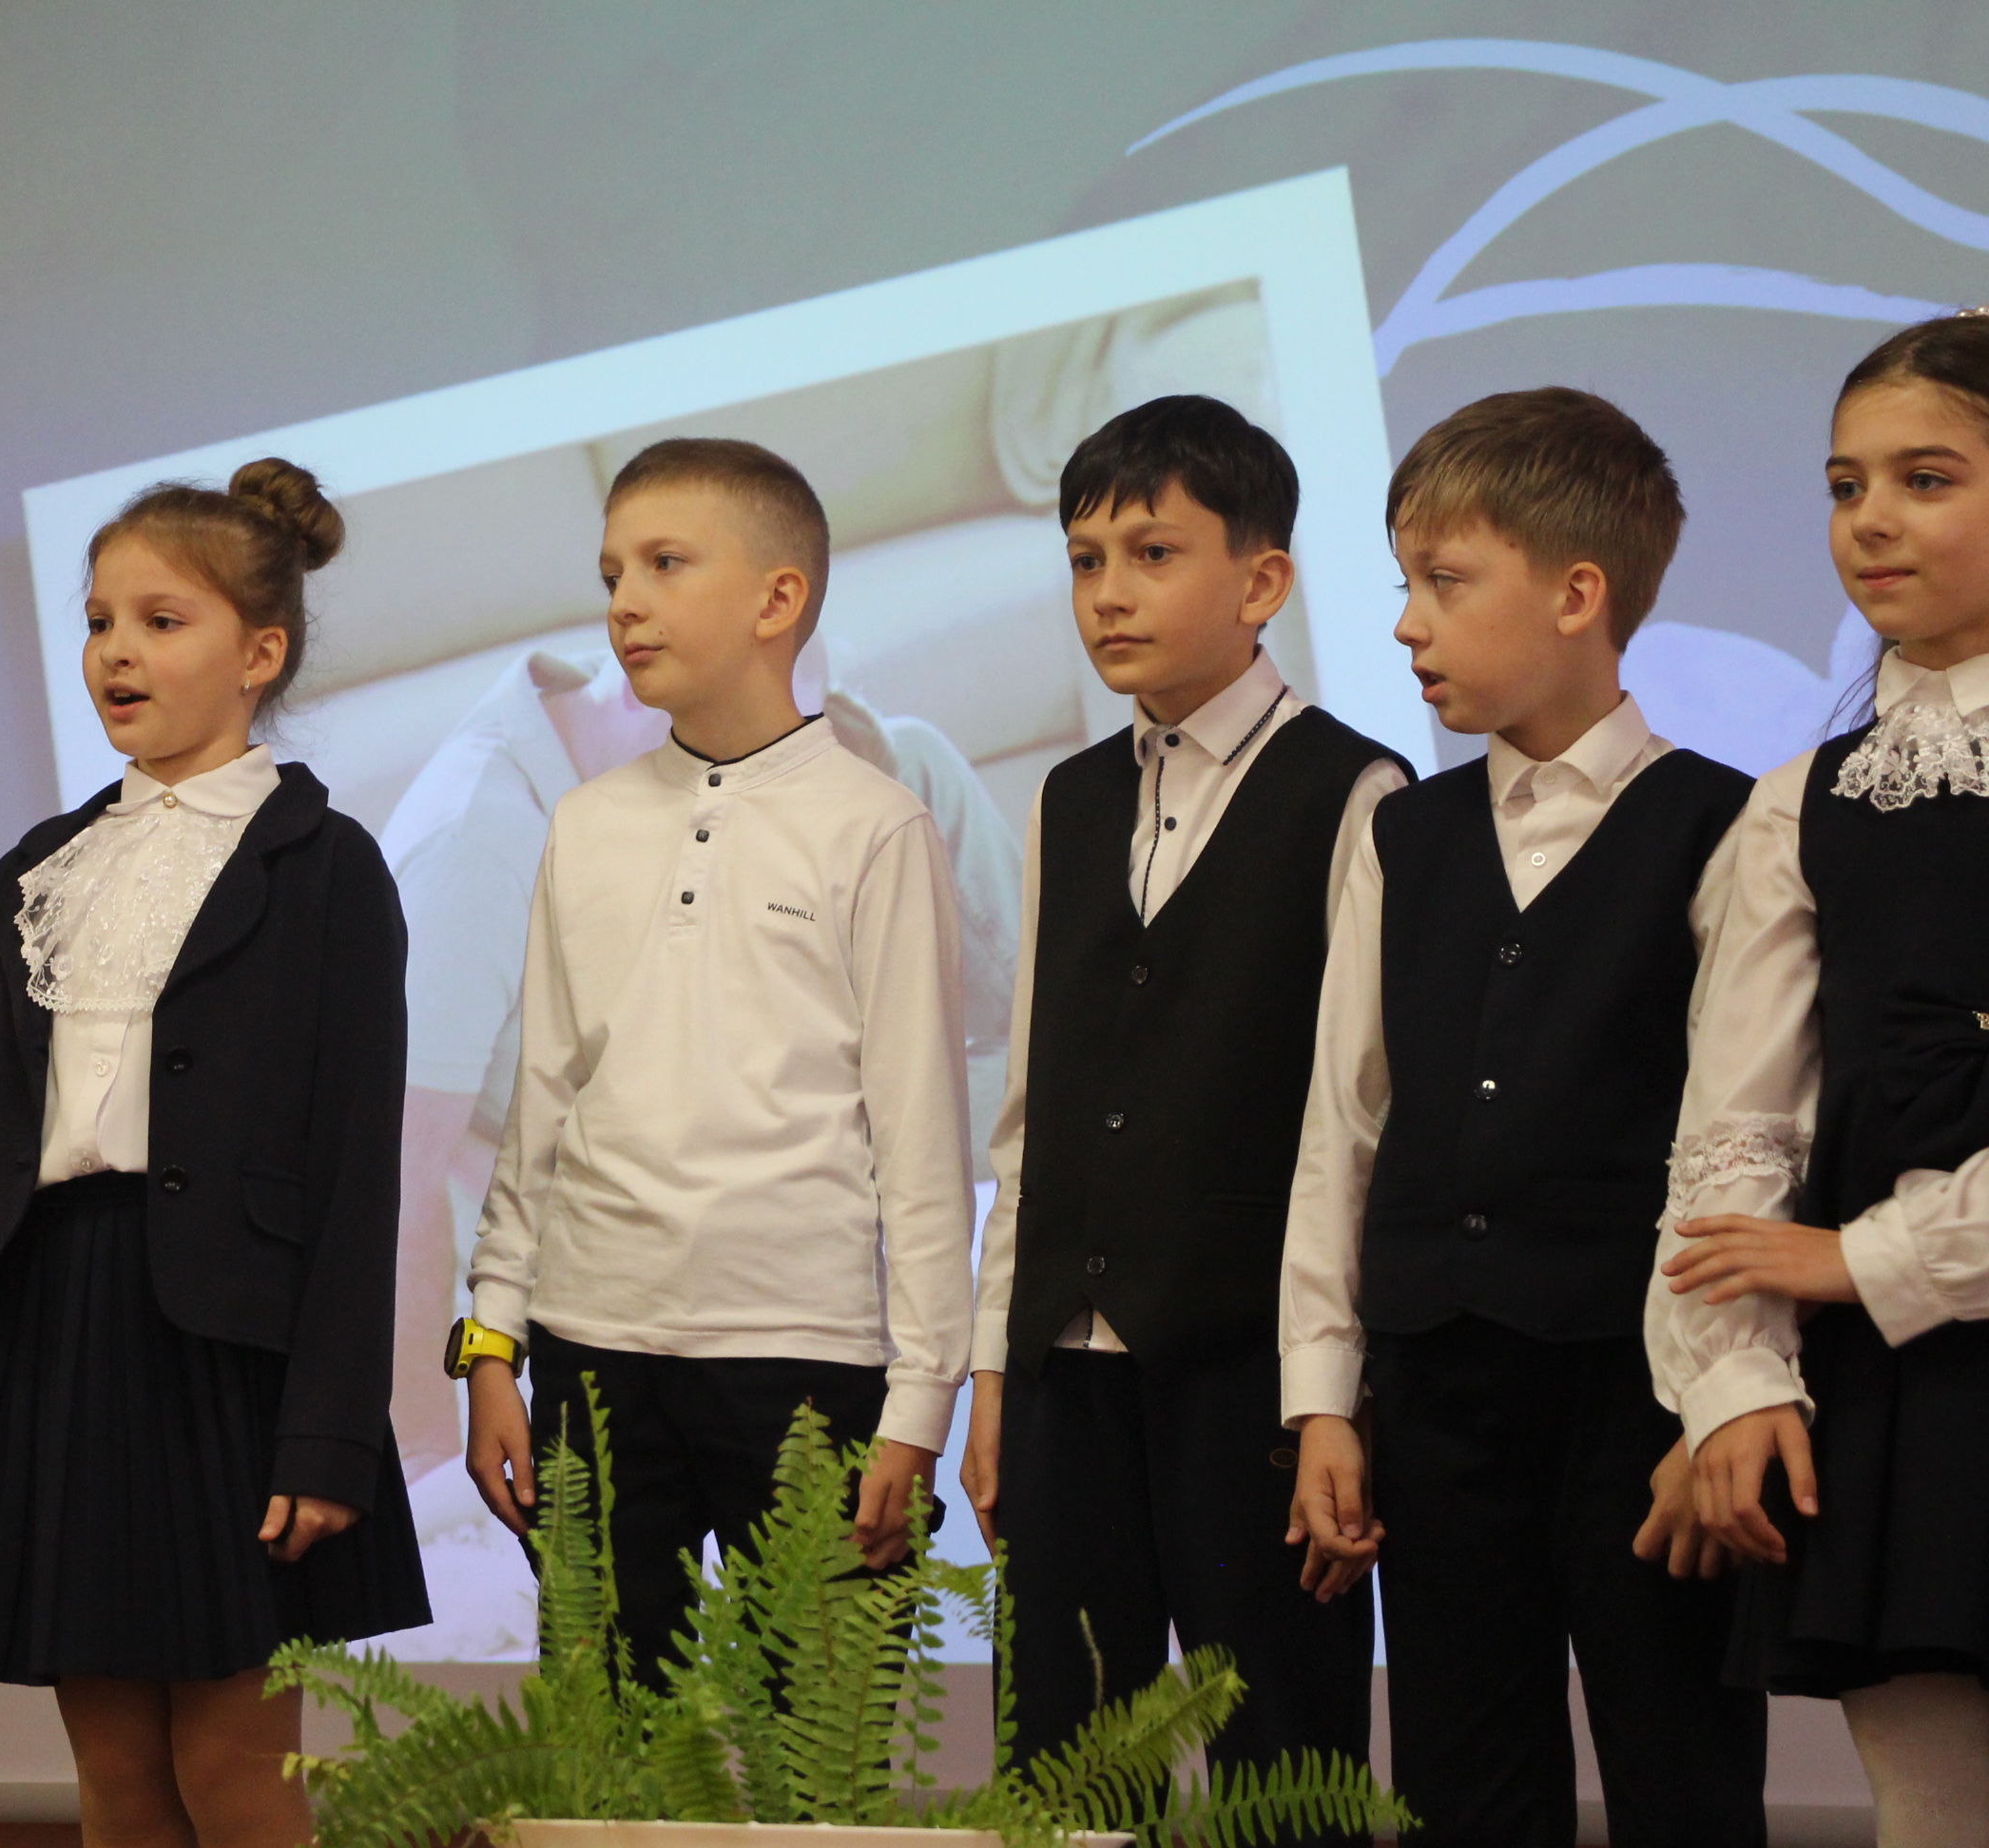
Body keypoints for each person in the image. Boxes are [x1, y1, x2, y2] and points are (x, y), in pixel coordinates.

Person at [0, 459, 427, 1848]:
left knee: (233, 1763)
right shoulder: (42, 865)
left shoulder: (326, 866)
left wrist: (326, 1430)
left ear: (261, 654)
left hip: (227, 1359)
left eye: (160, 620)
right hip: (56, 1332)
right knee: (117, 1768)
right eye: (96, 622)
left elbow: (355, 1175)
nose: (115, 652)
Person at [1278, 389, 1764, 1846]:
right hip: (1437, 1387)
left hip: (1635, 1391)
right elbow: (1345, 1128)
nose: (1407, 625)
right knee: (1463, 1780)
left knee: (1678, 1769)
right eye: (1403, 585)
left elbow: (1747, 1139)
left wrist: (1720, 1399)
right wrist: (1325, 1394)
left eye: (1445, 582)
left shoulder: (1726, 826)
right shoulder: (1402, 833)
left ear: (1576, 594)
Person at [457, 436, 973, 1682]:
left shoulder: (877, 827)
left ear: (778, 598)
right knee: (609, 1747)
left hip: (808, 1358)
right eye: (612, 572)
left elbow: (922, 1146)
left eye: (666, 563)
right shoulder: (584, 824)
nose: (624, 603)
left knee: (820, 1750)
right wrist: (491, 1348)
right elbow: (542, 1110)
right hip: (591, 1349)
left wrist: (919, 1410)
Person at [960, 396, 1407, 1817]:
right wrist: (994, 1369)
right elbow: (1031, 1108)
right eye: (1086, 560)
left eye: (1153, 554)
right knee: (1070, 1761)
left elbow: (1352, 1120)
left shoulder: (1356, 790)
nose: (1110, 593)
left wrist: (1333, 1395)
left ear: (1262, 580)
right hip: (1064, 1362)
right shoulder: (1069, 796)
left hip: (1247, 1368)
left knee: (1285, 1760)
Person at [382, 645, 1016, 1484]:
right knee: (1036, 1101)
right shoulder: (476, 852)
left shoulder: (628, 718)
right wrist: (421, 1443)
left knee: (914, 762)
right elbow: (394, 1175)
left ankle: (1077, 1075)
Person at [1653, 311, 1989, 1848]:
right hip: (1896, 1398)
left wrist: (1867, 1257)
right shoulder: (1804, 800)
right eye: (1846, 485)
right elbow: (1734, 1126)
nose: (1871, 520)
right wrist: (1730, 1382)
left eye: (1927, 478)